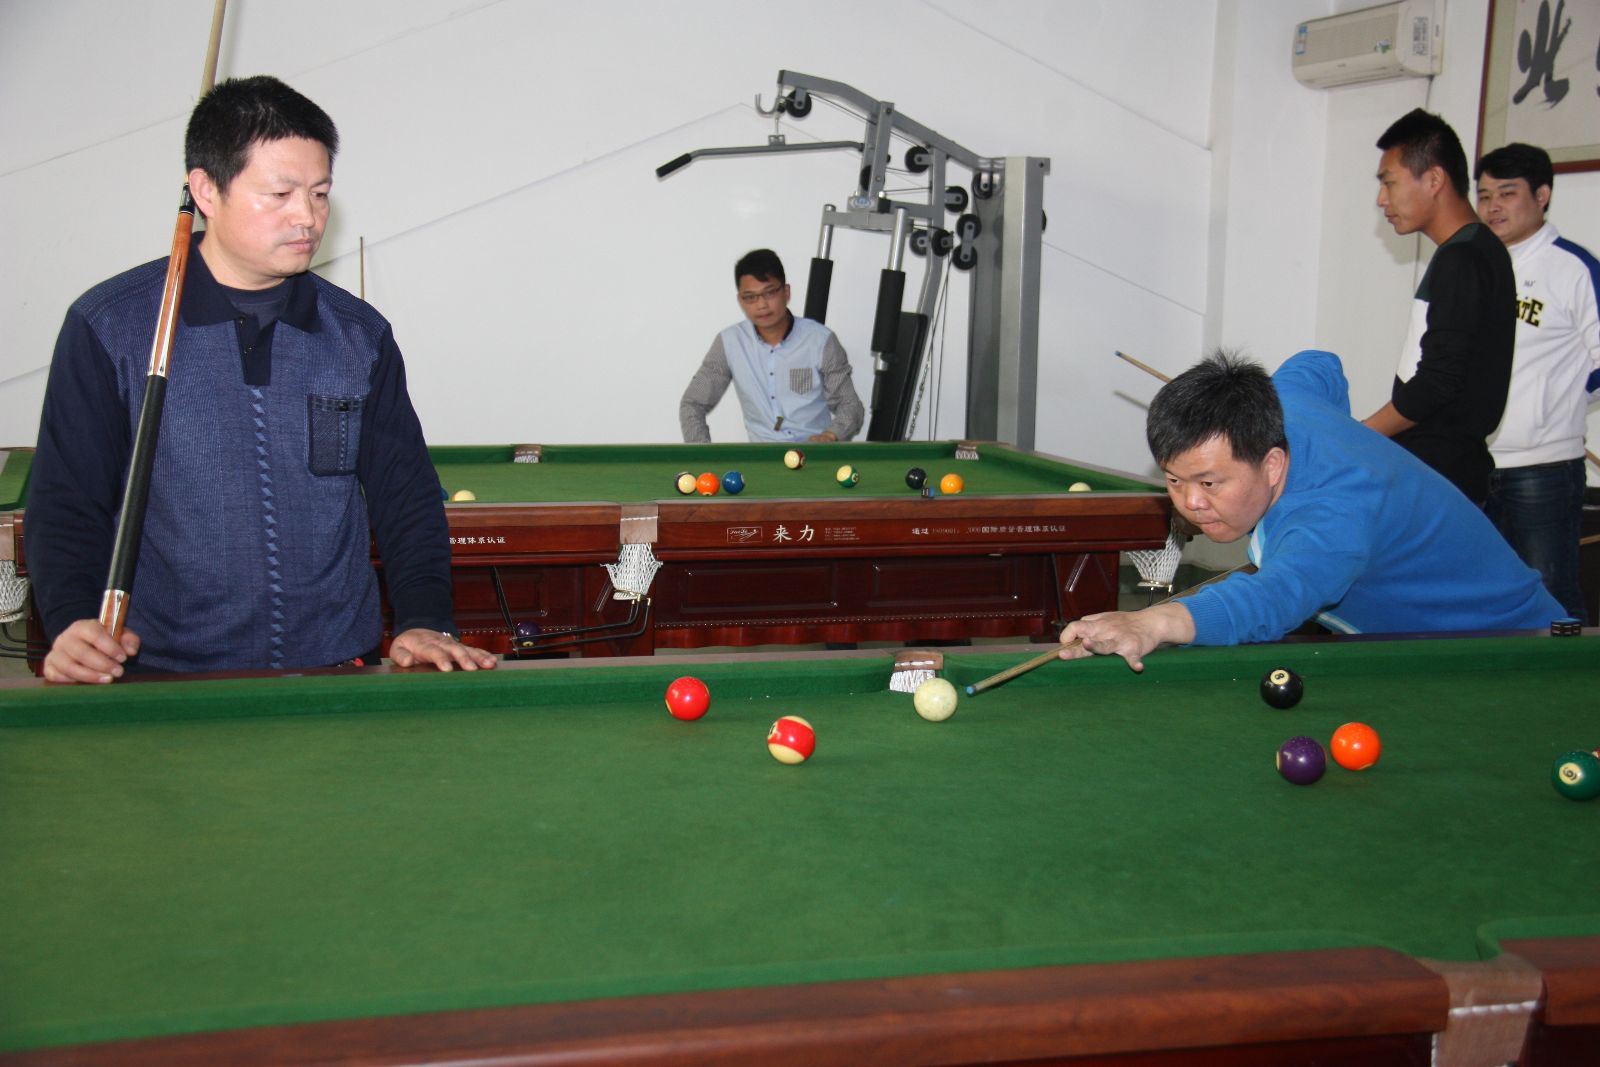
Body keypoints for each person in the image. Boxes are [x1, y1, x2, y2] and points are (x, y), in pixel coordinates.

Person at [28, 75, 495, 683]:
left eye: (320, 194)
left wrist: (426, 619)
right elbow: (67, 503)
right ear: (206, 190)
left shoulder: (359, 335)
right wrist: (70, 622)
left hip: (336, 674)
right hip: (159, 679)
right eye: (280, 194)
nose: (307, 217)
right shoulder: (112, 325)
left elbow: (404, 496)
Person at [1058, 351, 1561, 672]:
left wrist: (1152, 623)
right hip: (1423, 654)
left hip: (1512, 653)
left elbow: (1271, 600)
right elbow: (1319, 364)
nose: (1190, 502)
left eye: (1209, 482)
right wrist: (1345, 434)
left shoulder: (1331, 519)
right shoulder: (1282, 401)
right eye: (1174, 480)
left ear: (1273, 463)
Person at [1364, 108, 1517, 505]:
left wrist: (1359, 434)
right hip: (1449, 470)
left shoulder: (1461, 257)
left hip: (1440, 478)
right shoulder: (1479, 248)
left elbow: (1436, 382)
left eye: (1389, 182)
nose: (1382, 199)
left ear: (1433, 179)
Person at [1474, 142, 1600, 623]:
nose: (1493, 207)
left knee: (1552, 596)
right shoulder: (1473, 263)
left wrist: (1559, 400)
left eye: (1507, 193)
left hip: (1544, 468)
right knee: (1486, 596)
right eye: (1485, 195)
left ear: (1542, 195)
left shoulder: (1573, 267)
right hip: (1476, 465)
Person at [679, 248, 864, 444]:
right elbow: (692, 403)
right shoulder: (730, 343)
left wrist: (830, 436)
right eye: (750, 297)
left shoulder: (820, 341)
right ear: (741, 300)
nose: (761, 305)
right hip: (762, 456)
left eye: (769, 293)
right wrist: (703, 453)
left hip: (812, 453)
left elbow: (850, 406)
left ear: (786, 292)